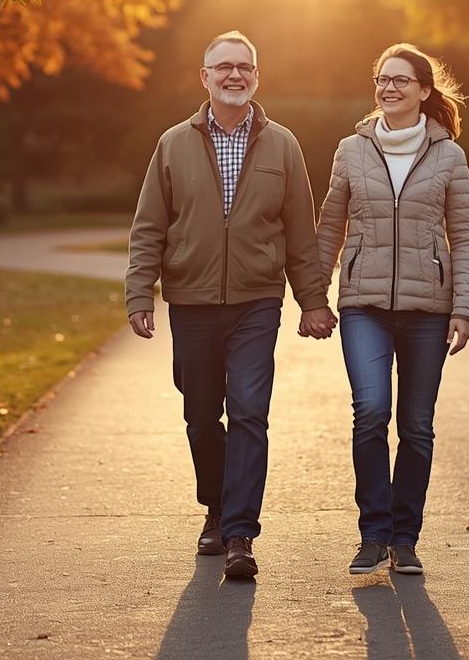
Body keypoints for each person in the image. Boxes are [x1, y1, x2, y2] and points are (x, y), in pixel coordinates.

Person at [126, 30, 338, 579]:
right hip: (191, 299)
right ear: (205, 77)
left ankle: (240, 532)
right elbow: (150, 225)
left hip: (256, 301)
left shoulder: (282, 144)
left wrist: (312, 301)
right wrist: (138, 291)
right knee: (201, 416)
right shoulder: (173, 144)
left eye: (245, 66)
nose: (234, 75)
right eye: (224, 67)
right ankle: (216, 508)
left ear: (257, 77)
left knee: (248, 410)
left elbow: (299, 231)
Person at [312, 42, 469, 577]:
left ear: (424, 91)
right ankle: (373, 534)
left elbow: (465, 236)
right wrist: (314, 295)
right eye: (382, 79)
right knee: (371, 412)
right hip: (364, 305)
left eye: (401, 80)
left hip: (430, 309)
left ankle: (405, 539)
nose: (388, 87)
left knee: (416, 425)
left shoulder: (449, 155)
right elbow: (329, 226)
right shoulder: (350, 150)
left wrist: (464, 306)